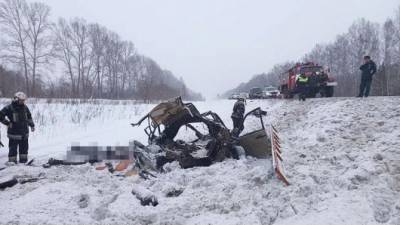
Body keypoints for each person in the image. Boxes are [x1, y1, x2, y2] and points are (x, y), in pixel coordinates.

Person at [0, 92, 35, 164]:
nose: (22, 102)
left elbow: (29, 117)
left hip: (24, 133)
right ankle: (12, 162)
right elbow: (0, 116)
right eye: (21, 100)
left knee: (24, 149)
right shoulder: (9, 107)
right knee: (13, 149)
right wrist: (7, 123)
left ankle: (23, 161)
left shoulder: (25, 107)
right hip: (14, 134)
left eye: (23, 100)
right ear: (16, 99)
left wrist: (32, 125)